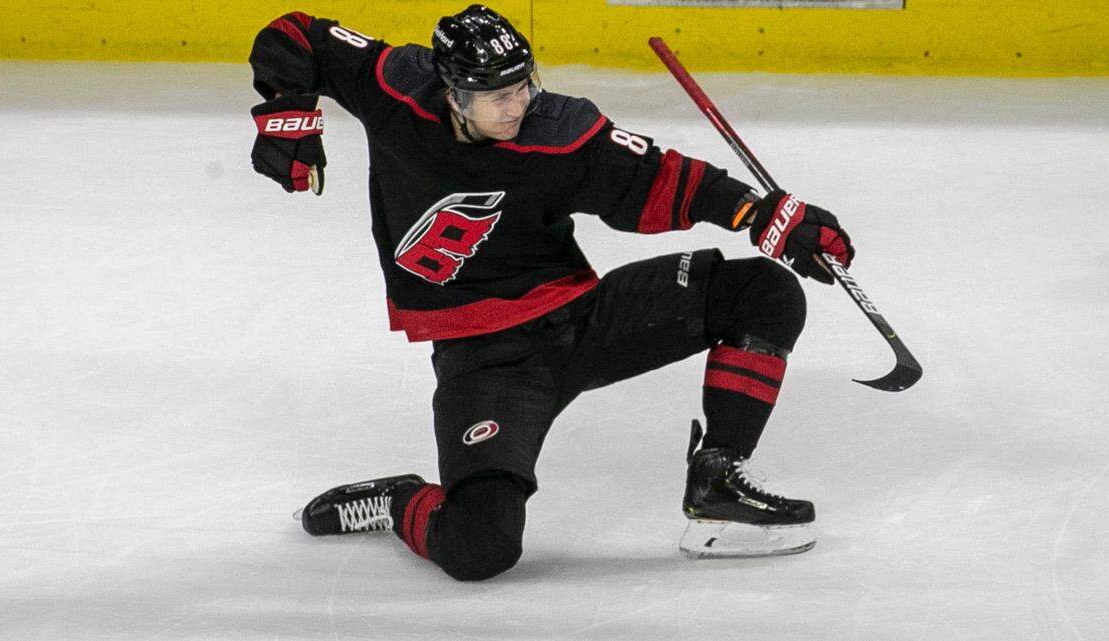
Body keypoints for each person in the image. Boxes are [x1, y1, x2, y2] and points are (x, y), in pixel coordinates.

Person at [248, 5, 854, 581]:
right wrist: (288, 113)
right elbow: (295, 36)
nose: (517, 106)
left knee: (764, 292)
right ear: (453, 92)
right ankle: (395, 500)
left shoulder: (558, 131)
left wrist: (762, 214)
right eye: (497, 97)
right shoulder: (396, 89)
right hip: (486, 361)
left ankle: (719, 480)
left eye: (524, 87)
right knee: (479, 548)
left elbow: (661, 178)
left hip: (582, 322)